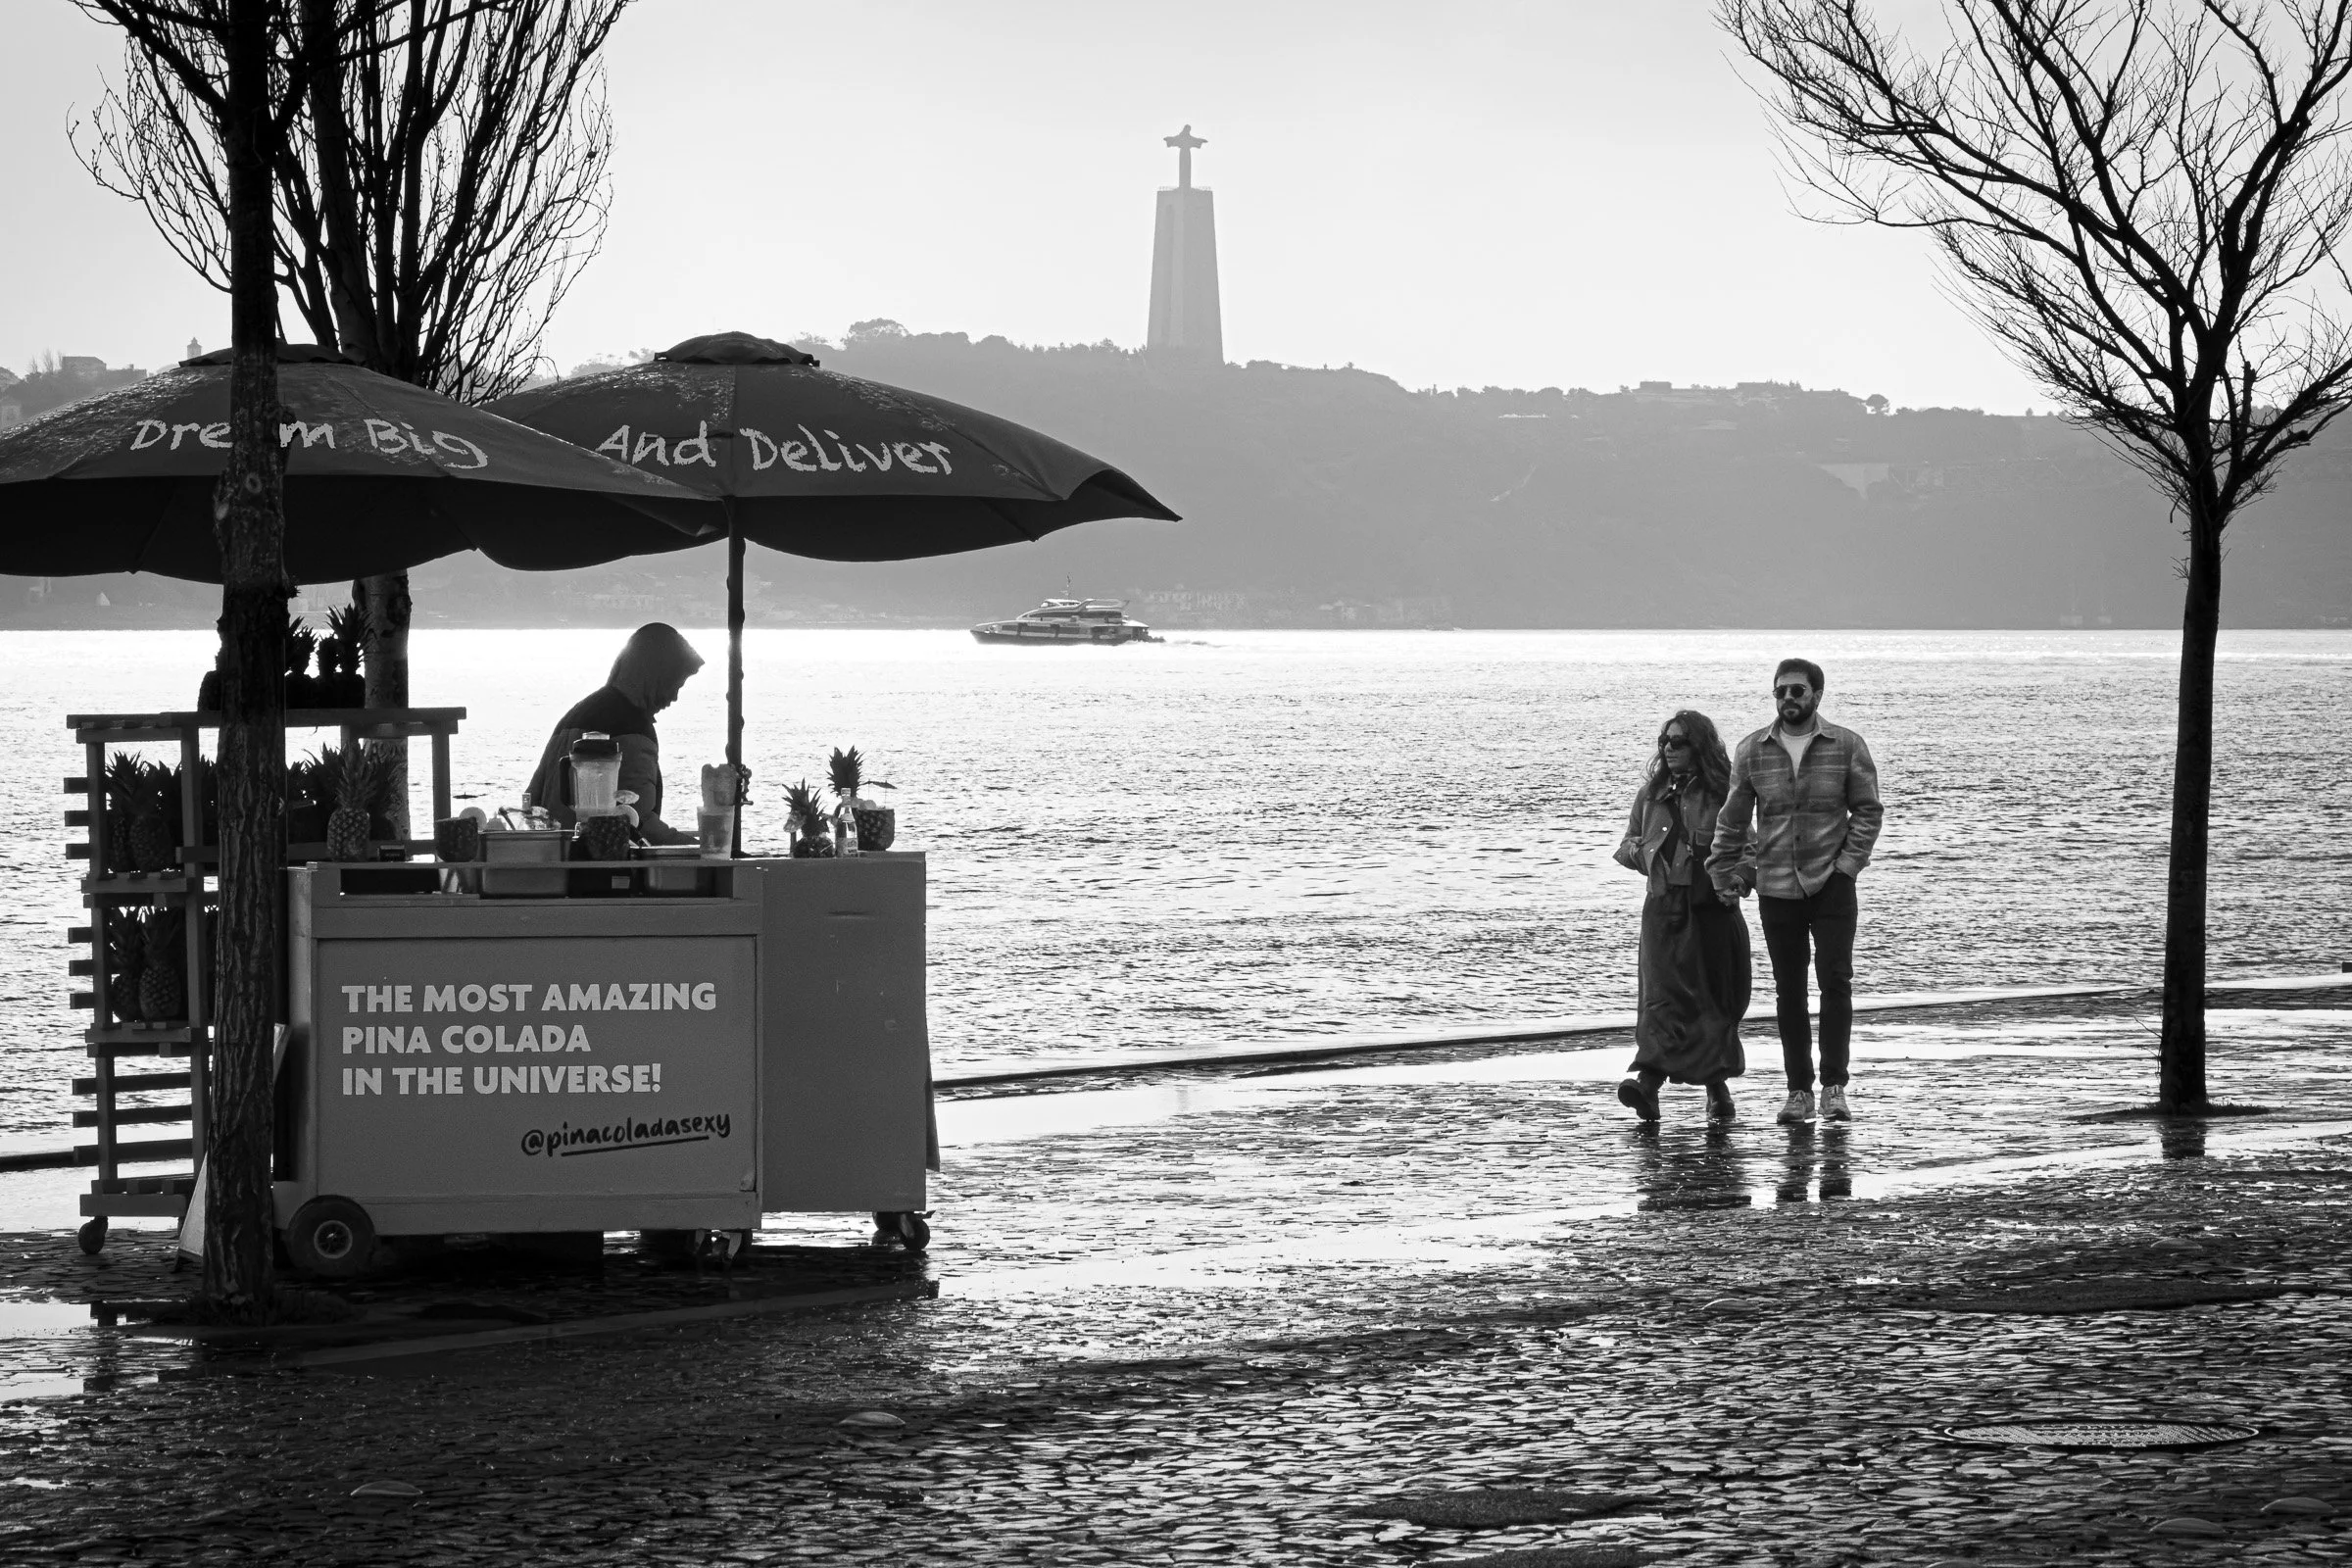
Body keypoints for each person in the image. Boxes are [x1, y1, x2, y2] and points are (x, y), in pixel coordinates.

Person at [1706, 658, 1884, 1126]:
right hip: (1777, 886)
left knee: (1835, 984)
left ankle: (1834, 1088)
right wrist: (1722, 872)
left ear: (1817, 696)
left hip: (1832, 885)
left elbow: (1868, 811)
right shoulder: (1752, 751)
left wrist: (1848, 867)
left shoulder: (1846, 746)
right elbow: (1733, 819)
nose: (1788, 699)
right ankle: (1797, 1092)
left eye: (1797, 692)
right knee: (1789, 992)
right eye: (1781, 691)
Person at [1612, 710, 1750, 1125]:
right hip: (1663, 907)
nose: (1669, 749)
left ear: (1700, 747)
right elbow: (1627, 844)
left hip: (1711, 908)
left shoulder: (1725, 793)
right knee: (1661, 1000)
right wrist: (1649, 856)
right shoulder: (1651, 794)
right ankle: (1650, 1085)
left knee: (1713, 1000)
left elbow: (1749, 847)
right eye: (1665, 742)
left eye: (1679, 742)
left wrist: (1739, 879)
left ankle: (1715, 1090)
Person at [525, 622, 706, 846]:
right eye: (674, 685)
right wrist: (699, 849)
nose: (674, 697)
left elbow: (532, 799)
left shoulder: (575, 715)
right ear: (655, 677)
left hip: (555, 858)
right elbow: (638, 822)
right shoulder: (632, 728)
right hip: (599, 866)